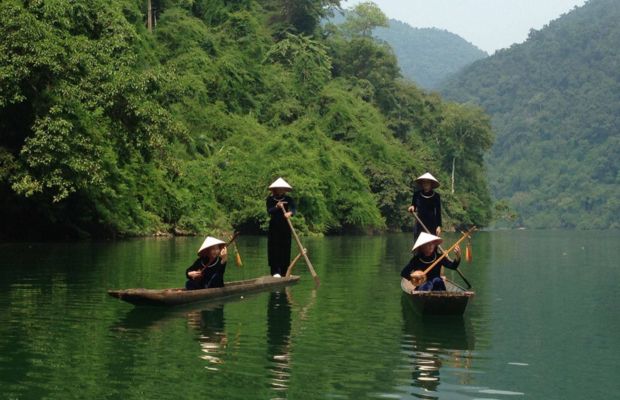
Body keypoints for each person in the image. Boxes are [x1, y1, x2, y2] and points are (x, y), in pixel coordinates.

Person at [266, 177, 296, 278]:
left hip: (286, 227)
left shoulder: (289, 199)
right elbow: (269, 211)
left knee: (285, 248)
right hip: (274, 227)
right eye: (279, 188)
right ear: (275, 189)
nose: (280, 189)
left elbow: (293, 209)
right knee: (274, 248)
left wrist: (290, 213)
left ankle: (285, 271)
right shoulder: (270, 199)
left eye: (282, 188)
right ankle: (275, 272)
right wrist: (277, 207)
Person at [407, 172, 442, 240]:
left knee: (431, 246)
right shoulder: (416, 194)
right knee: (419, 246)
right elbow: (413, 206)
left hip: (432, 224)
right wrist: (412, 207)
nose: (425, 184)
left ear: (431, 184)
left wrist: (439, 226)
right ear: (422, 183)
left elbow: (438, 212)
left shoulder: (436, 196)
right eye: (424, 182)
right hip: (419, 223)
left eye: (427, 182)